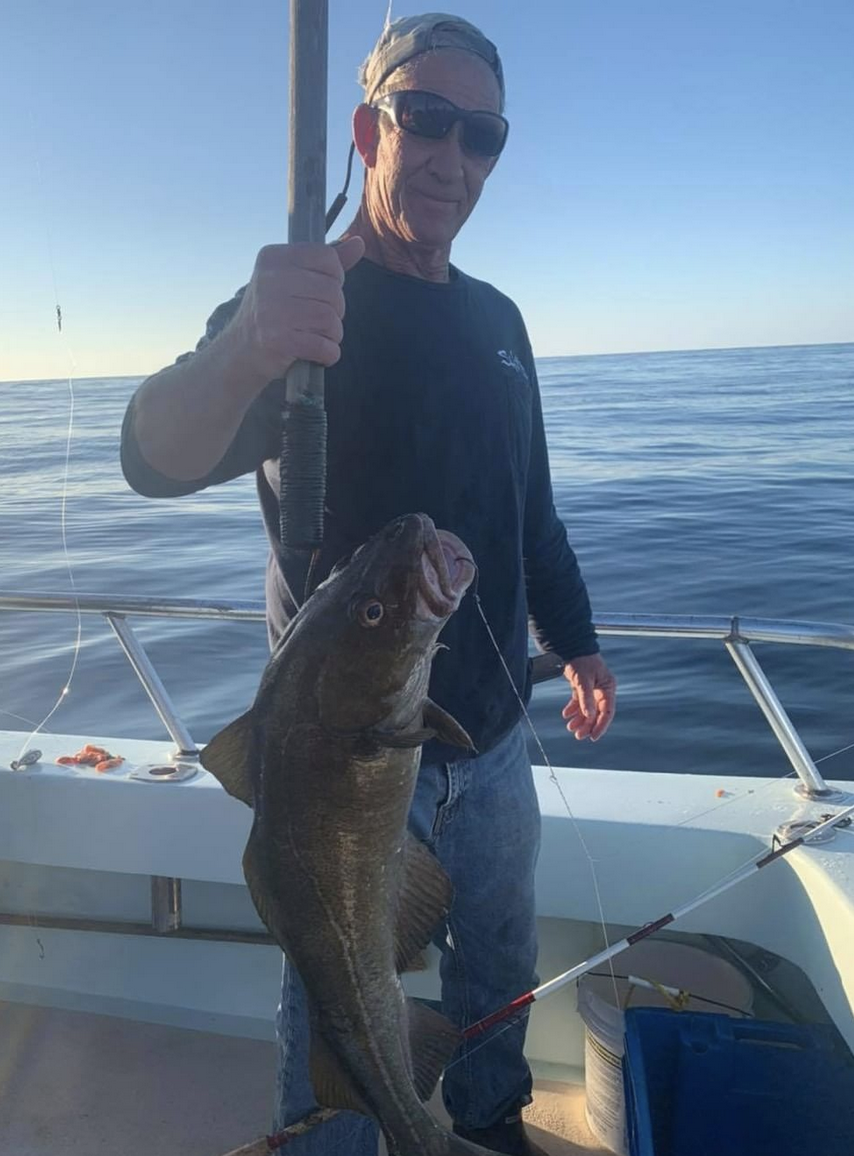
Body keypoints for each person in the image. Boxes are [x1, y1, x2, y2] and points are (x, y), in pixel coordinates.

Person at [121, 13, 616, 1155]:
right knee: (330, 994)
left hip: (487, 744)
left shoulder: (499, 322)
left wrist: (578, 641)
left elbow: (526, 509)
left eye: (480, 133)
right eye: (425, 119)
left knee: (497, 966)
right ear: (368, 129)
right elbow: (150, 457)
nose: (452, 156)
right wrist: (248, 342)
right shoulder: (301, 306)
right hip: (333, 760)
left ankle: (483, 1129)